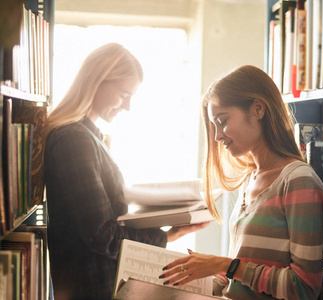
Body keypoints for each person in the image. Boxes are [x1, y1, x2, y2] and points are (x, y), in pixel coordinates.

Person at [44, 43, 208, 299]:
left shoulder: (89, 137)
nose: (128, 107)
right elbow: (101, 235)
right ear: (97, 82)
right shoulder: (74, 140)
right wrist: (163, 237)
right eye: (123, 95)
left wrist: (167, 234)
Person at [159, 65, 323, 299]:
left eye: (222, 120)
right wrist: (194, 276)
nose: (217, 136)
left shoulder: (298, 181)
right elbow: (238, 279)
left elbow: (304, 289)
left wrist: (223, 265)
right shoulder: (251, 178)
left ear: (258, 109)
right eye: (214, 125)